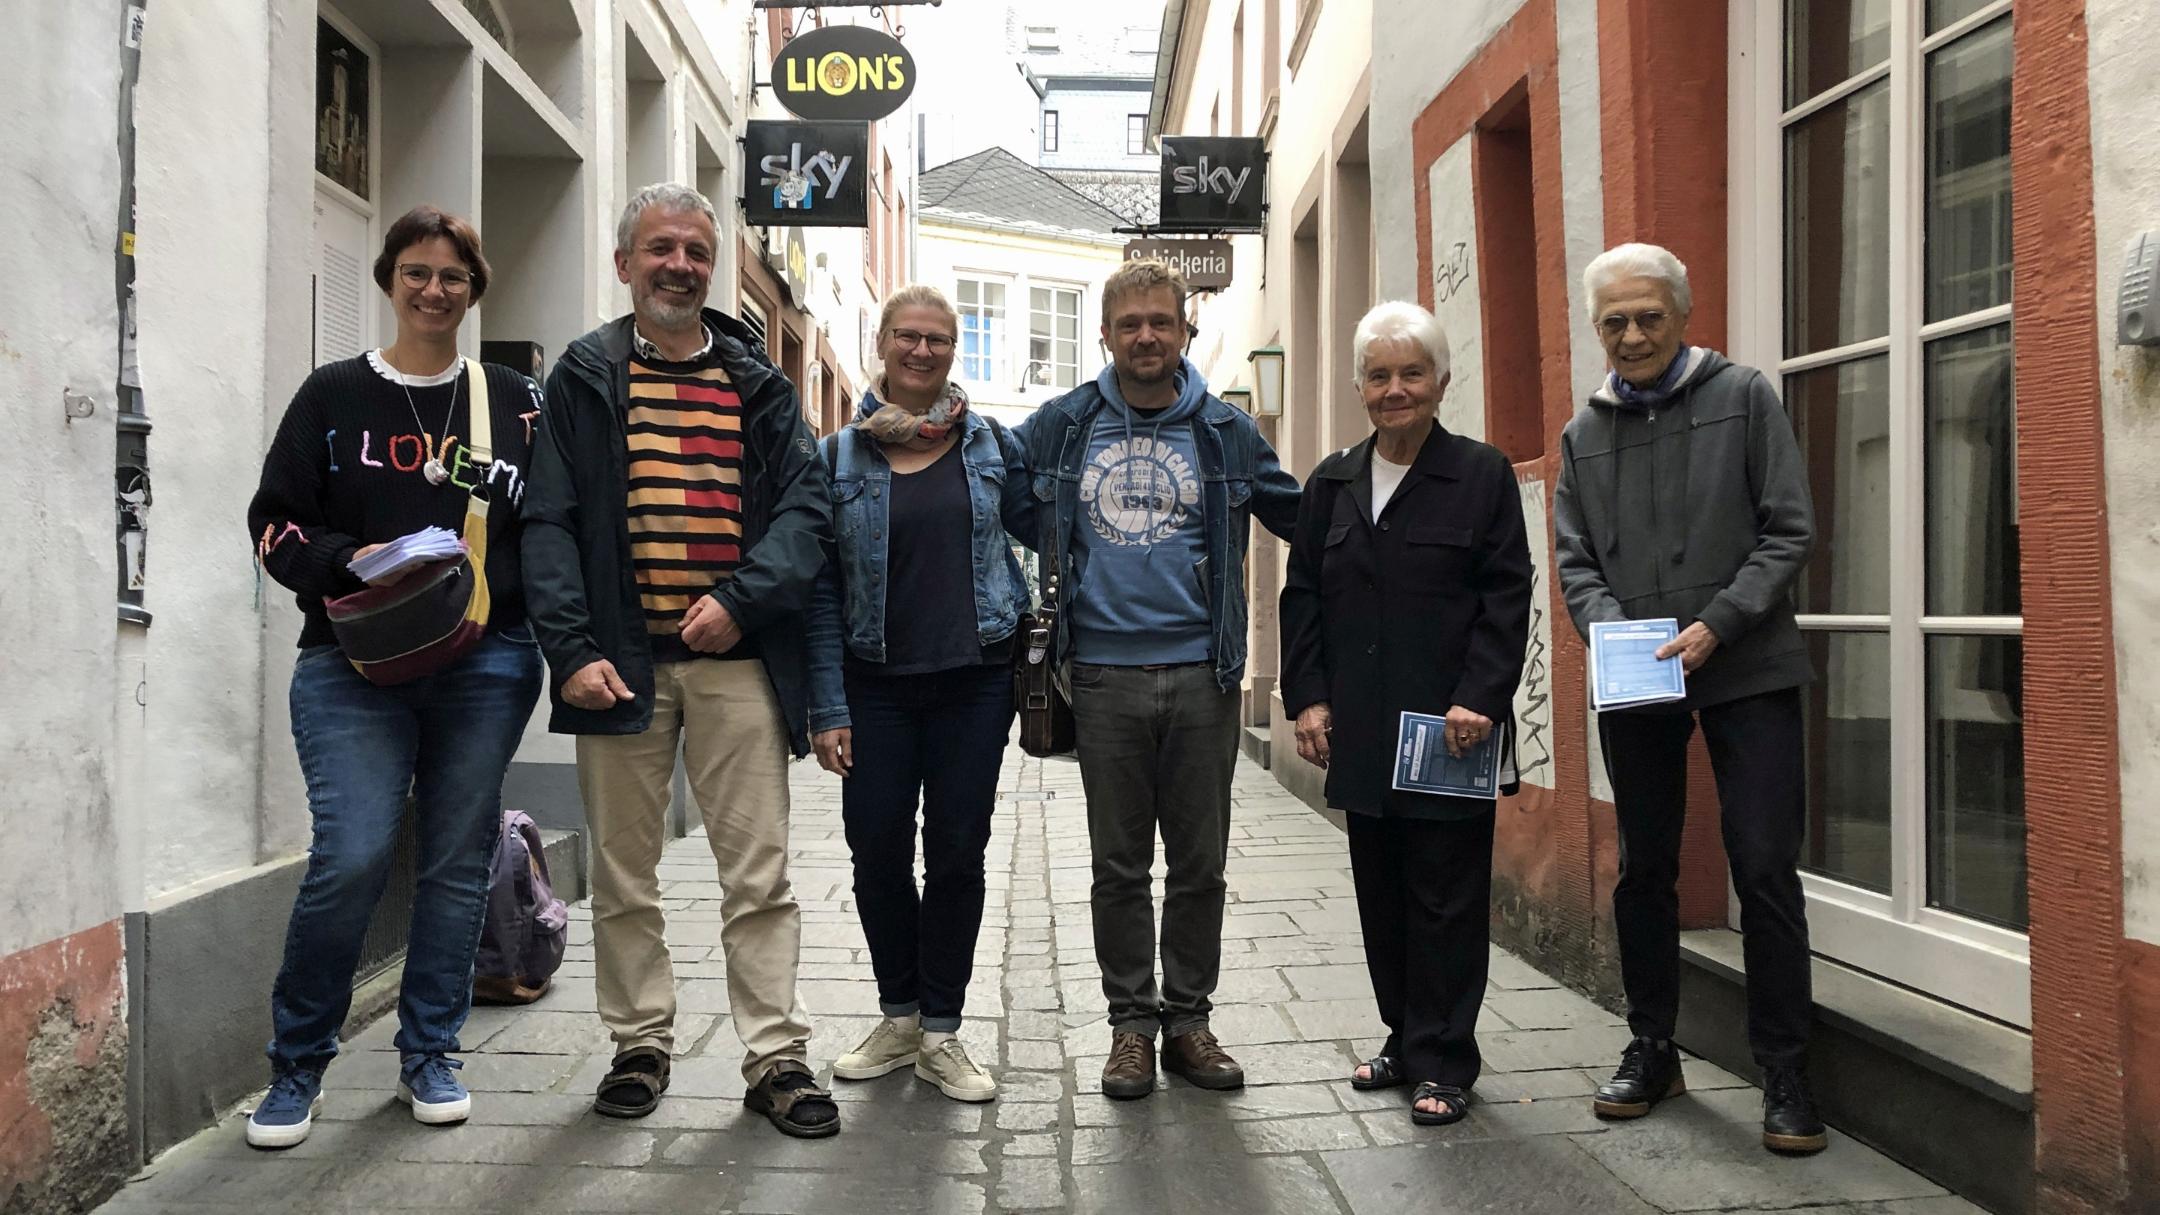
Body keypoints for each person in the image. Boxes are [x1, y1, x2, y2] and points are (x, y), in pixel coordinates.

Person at [520, 183, 839, 1138]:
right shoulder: (583, 376)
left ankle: (775, 1057)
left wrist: (741, 601)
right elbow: (550, 521)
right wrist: (569, 651)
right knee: (624, 873)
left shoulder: (758, 384)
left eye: (697, 252)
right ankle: (640, 1043)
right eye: (661, 249)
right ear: (625, 265)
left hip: (736, 662)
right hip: (618, 665)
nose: (681, 266)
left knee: (760, 872)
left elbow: (806, 509)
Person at [243, 205, 543, 1148]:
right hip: (350, 659)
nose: (433, 289)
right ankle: (298, 1065)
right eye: (416, 271)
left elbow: (554, 526)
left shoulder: (513, 398)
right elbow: (275, 523)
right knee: (354, 855)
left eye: (452, 275)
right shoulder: (333, 395)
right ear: (388, 280)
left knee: (457, 865)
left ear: (473, 289)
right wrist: (355, 558)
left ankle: (430, 1052)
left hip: (486, 658)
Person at [1553, 242, 1824, 1154]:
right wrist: (1607, 627)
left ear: (1682, 316)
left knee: (1762, 866)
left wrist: (1719, 621)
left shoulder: (1745, 398)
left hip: (1746, 663)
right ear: (1598, 330)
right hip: (1639, 677)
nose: (1632, 336)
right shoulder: (1582, 435)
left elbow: (1789, 530)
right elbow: (1573, 556)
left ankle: (1786, 1068)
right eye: (1614, 322)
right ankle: (1652, 1045)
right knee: (1644, 866)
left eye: (1648, 317)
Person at [1009, 260, 1300, 1100]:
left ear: (1184, 331)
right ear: (1103, 333)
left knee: (1201, 862)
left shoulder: (1223, 430)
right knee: (1119, 865)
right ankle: (1131, 1027)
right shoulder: (1063, 426)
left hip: (1205, 675)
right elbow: (994, 490)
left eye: (1160, 323)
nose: (1145, 336)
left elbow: (1302, 514)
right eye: (1129, 322)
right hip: (1101, 676)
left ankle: (1189, 1021)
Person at [1279, 302, 1530, 1127]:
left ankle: (1446, 1058)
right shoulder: (1333, 481)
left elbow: (1506, 593)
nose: (1395, 390)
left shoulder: (1481, 474)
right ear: (1359, 387)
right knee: (1381, 892)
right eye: (1379, 375)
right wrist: (1308, 696)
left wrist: (1482, 697)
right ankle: (1404, 1035)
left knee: (1447, 895)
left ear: (1441, 381)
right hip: (1362, 728)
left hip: (1449, 728)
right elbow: (1303, 595)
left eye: (1411, 373)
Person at [805, 286, 1026, 1104]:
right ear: (883, 342)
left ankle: (942, 1029)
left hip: (975, 684)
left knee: (959, 851)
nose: (922, 351)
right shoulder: (838, 458)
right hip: (874, 689)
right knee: (876, 851)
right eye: (908, 336)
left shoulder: (992, 446)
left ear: (952, 350)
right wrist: (826, 705)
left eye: (938, 338)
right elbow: (822, 591)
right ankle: (899, 1015)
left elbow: (1053, 526)